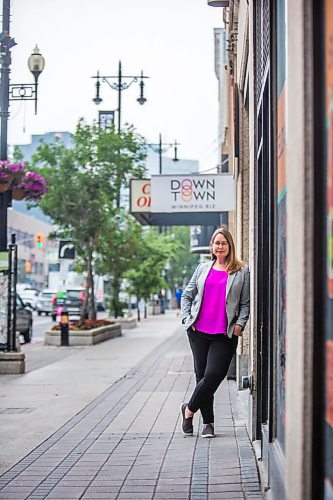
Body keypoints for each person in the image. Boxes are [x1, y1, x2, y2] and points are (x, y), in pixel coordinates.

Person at [180, 227, 250, 438]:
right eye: (216, 243)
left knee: (213, 375)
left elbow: (245, 304)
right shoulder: (203, 268)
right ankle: (208, 424)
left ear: (230, 246)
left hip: (225, 334)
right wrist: (186, 319)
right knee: (201, 376)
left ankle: (188, 410)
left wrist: (240, 325)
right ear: (212, 246)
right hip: (198, 331)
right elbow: (187, 295)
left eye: (223, 243)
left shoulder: (241, 271)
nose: (219, 247)